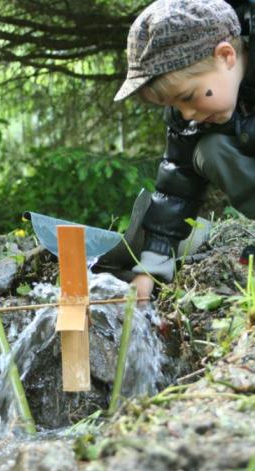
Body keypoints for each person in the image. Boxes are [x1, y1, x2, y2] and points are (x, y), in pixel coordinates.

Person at [114, 0, 255, 300]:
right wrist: (152, 264)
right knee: (210, 149)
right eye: (175, 105)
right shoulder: (191, 119)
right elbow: (176, 188)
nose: (187, 113)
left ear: (226, 56)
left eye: (188, 96)